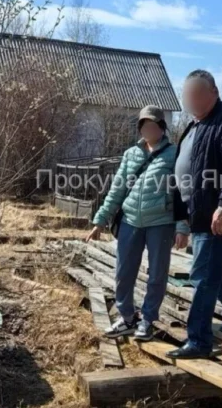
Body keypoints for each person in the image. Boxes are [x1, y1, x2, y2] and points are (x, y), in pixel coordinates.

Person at [166, 70, 222, 359]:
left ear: (213, 92)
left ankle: (199, 341)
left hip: (215, 212)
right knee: (218, 269)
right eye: (187, 96)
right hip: (198, 211)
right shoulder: (196, 124)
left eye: (196, 94)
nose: (190, 100)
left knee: (204, 275)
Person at [86, 105, 189, 341]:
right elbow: (117, 189)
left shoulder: (175, 154)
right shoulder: (131, 154)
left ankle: (148, 320)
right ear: (140, 127)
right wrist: (100, 220)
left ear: (162, 127)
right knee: (123, 272)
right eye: (144, 125)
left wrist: (183, 227)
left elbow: (183, 193)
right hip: (130, 220)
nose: (148, 129)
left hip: (161, 222)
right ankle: (127, 318)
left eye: (153, 125)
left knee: (156, 275)